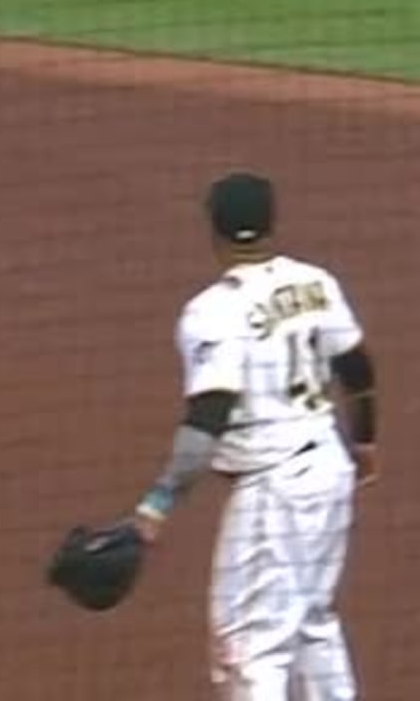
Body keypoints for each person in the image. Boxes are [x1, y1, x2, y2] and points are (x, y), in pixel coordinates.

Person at [126, 170, 378, 699]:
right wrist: (365, 443)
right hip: (328, 468)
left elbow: (208, 417)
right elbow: (355, 368)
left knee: (248, 646)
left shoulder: (211, 312)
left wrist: (159, 502)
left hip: (274, 487)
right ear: (270, 225)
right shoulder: (315, 283)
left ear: (213, 229)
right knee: (313, 620)